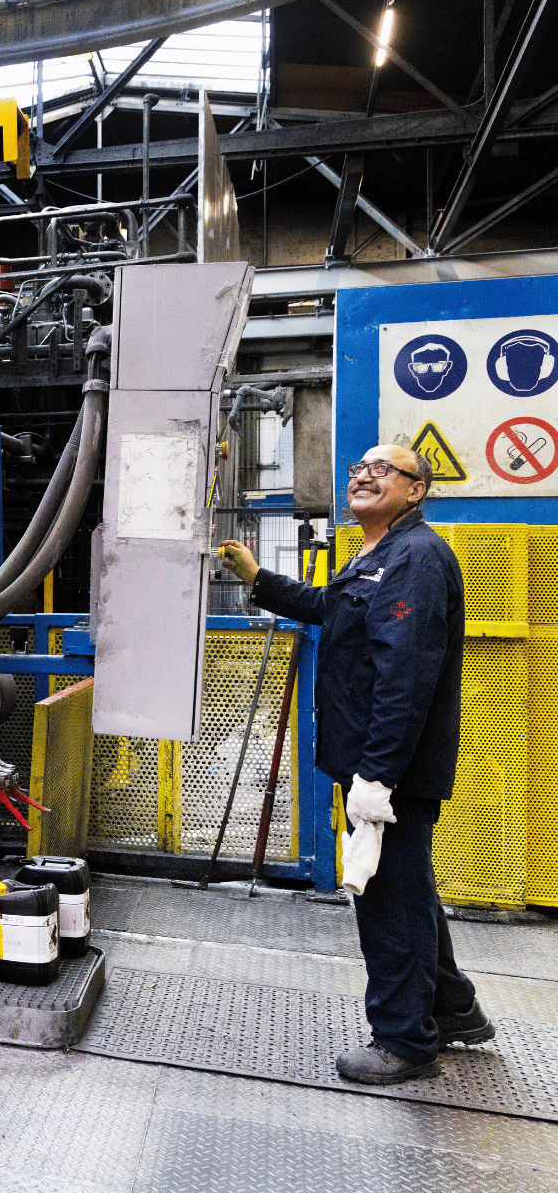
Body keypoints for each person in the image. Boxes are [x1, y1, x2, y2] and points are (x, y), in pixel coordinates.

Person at [220, 444, 494, 1086]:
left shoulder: (416, 558)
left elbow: (406, 675)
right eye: (359, 468)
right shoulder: (377, 554)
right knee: (407, 887)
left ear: (417, 490)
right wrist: (259, 579)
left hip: (389, 769)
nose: (364, 475)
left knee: (387, 899)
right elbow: (329, 607)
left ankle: (404, 1040)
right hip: (376, 761)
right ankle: (453, 1007)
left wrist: (376, 777)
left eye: (383, 469)